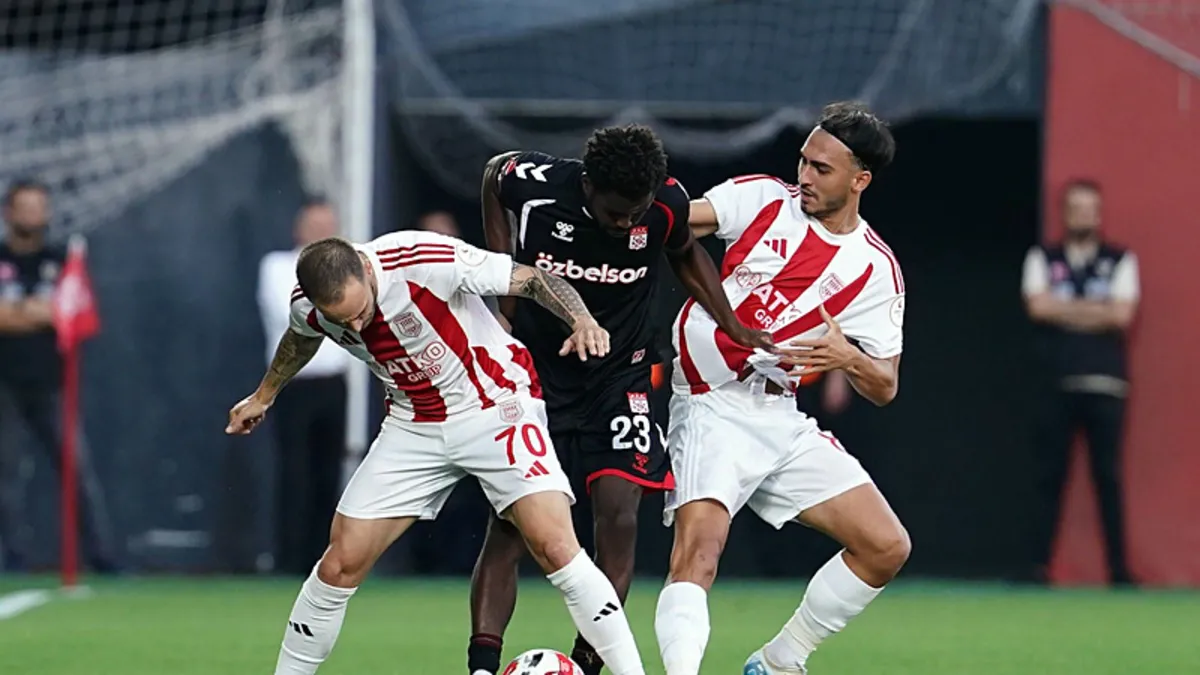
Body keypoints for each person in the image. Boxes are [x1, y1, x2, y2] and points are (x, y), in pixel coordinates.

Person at [225, 231, 649, 675]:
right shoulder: (308, 306)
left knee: (556, 547)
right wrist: (264, 395)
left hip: (493, 404)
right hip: (413, 424)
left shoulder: (424, 259)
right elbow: (302, 336)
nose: (356, 327)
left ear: (366, 270)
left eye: (360, 312)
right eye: (342, 321)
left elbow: (531, 279)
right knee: (338, 564)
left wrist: (582, 319)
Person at [468, 124, 769, 675]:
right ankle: (483, 666)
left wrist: (733, 325)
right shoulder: (536, 185)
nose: (628, 224)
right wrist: (501, 285)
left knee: (619, 516)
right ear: (588, 185)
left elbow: (685, 252)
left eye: (637, 213)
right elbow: (493, 174)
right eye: (616, 214)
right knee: (511, 527)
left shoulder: (666, 202)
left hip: (620, 378)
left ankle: (586, 664)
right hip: (537, 378)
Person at [654, 102, 911, 675]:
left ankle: (778, 661)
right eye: (804, 161)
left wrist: (849, 358)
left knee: (886, 546)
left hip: (780, 416)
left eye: (822, 168)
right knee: (698, 554)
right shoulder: (764, 199)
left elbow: (885, 385)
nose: (805, 176)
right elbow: (676, 224)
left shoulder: (875, 270)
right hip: (710, 404)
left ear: (860, 180)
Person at [1021, 179, 1139, 586]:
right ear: (1065, 212)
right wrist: (1096, 311)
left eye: (1089, 208)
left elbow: (1121, 315)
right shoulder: (1043, 257)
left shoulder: (1119, 259)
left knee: (1108, 476)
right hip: (1055, 382)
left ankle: (1119, 571)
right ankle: (1037, 568)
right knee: (1048, 476)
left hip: (1106, 383)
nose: (1082, 215)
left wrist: (1064, 308)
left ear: (1098, 214)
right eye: (1075, 208)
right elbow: (1038, 307)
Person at [0, 178, 118, 573]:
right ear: (8, 212)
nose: (31, 215)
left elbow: (71, 314)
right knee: (6, 477)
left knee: (76, 471)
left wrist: (23, 313)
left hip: (52, 383)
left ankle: (102, 558)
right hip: (4, 383)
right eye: (24, 207)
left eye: (38, 207)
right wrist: (35, 312)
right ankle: (13, 559)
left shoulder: (62, 258)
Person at [256, 199, 350, 575]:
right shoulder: (278, 267)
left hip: (333, 384)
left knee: (330, 473)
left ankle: (324, 558)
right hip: (293, 385)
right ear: (299, 228)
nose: (321, 231)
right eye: (314, 225)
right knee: (295, 472)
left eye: (328, 225)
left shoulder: (349, 268)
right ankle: (289, 558)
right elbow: (294, 316)